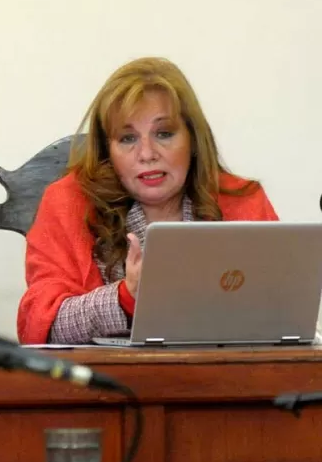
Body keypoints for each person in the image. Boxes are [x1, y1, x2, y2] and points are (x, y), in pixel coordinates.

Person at [17, 57, 277, 345]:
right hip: (106, 385)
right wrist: (126, 296)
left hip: (227, 379)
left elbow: (284, 310)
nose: (147, 154)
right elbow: (40, 326)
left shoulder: (241, 199)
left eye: (164, 134)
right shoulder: (67, 203)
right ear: (108, 151)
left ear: (193, 140)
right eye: (128, 138)